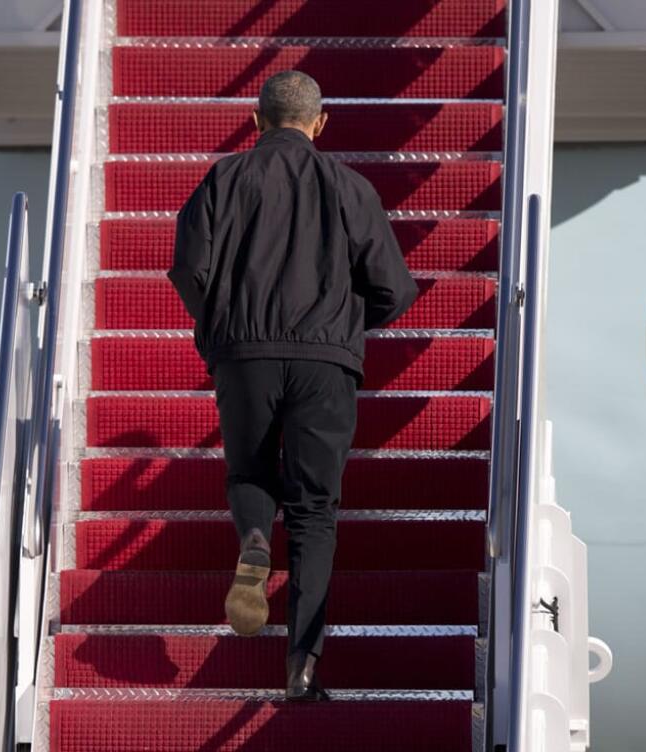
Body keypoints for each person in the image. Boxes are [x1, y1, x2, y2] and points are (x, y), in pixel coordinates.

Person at [168, 70, 418, 701]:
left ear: (257, 121)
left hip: (244, 354)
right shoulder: (349, 186)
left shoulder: (224, 178)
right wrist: (345, 328)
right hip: (325, 364)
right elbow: (395, 288)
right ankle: (302, 665)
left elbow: (186, 269)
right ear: (321, 123)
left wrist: (219, 331)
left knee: (250, 471)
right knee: (315, 511)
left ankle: (254, 536)